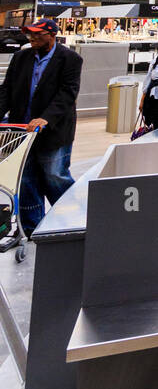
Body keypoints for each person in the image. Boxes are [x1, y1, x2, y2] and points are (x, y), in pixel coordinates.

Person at [0, 17, 82, 235]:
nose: (33, 38)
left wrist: (46, 118)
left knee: (55, 176)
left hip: (53, 132)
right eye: (31, 34)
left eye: (38, 34)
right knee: (26, 181)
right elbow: (6, 91)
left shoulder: (70, 59)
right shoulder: (21, 57)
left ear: (52, 35)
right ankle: (34, 229)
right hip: (22, 133)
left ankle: (72, 218)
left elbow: (67, 93)